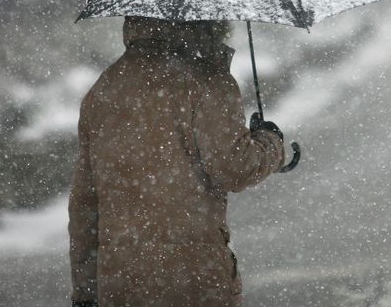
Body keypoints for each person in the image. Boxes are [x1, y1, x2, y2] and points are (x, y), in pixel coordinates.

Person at [69, 16, 288, 307]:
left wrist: (85, 292)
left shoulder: (104, 89)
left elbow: (86, 205)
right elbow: (236, 168)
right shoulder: (207, 82)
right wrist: (270, 142)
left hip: (120, 281)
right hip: (193, 279)